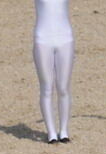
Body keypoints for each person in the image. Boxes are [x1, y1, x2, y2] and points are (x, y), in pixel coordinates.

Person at [32, 0, 74, 144]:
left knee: (63, 88)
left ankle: (63, 131)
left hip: (65, 39)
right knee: (46, 87)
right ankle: (51, 132)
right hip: (42, 40)